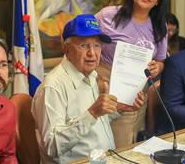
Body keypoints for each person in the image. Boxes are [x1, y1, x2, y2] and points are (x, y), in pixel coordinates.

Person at [31, 14, 145, 164]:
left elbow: (94, 122)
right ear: (67, 50)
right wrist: (92, 113)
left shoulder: (91, 75)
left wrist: (119, 108)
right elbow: (52, 147)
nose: (92, 53)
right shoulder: (52, 87)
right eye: (84, 46)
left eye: (97, 45)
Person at [95, 0, 167, 145]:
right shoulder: (108, 15)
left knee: (127, 144)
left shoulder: (159, 27)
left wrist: (158, 67)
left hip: (135, 94)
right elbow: (80, 38)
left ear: (158, 0)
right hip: (103, 87)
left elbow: (161, 60)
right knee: (102, 143)